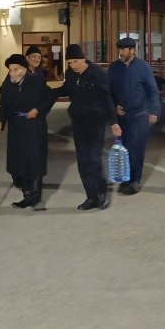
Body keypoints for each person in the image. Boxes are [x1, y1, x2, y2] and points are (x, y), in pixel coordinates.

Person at [52, 43, 121, 211]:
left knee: (93, 159)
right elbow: (66, 89)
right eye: (69, 62)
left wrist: (114, 122)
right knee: (83, 161)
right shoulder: (70, 74)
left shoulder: (97, 74)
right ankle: (91, 197)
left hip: (95, 122)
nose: (72, 65)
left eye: (75, 61)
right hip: (78, 122)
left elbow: (106, 98)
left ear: (83, 59)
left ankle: (101, 194)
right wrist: (47, 91)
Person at [0, 54, 54, 210]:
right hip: (16, 127)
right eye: (10, 70)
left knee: (33, 163)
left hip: (35, 127)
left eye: (16, 70)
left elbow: (50, 98)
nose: (12, 73)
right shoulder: (7, 86)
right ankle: (26, 192)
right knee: (17, 164)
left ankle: (33, 197)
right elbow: (4, 106)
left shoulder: (37, 82)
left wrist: (37, 110)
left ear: (24, 69)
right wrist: (0, 121)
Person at [108, 36, 161, 195]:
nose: (121, 52)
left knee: (136, 148)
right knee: (124, 149)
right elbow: (108, 92)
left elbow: (153, 91)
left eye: (123, 49)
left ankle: (135, 181)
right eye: (119, 49)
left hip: (140, 114)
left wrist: (154, 111)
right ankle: (126, 179)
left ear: (132, 50)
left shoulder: (143, 67)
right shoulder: (114, 68)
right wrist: (114, 107)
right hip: (122, 116)